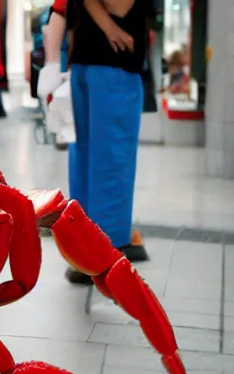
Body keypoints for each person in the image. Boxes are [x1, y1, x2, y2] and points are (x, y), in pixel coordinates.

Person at [63, 0, 152, 284]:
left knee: (86, 159)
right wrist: (111, 27)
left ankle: (84, 250)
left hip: (87, 60)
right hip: (115, 63)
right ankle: (103, 254)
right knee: (112, 159)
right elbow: (121, 4)